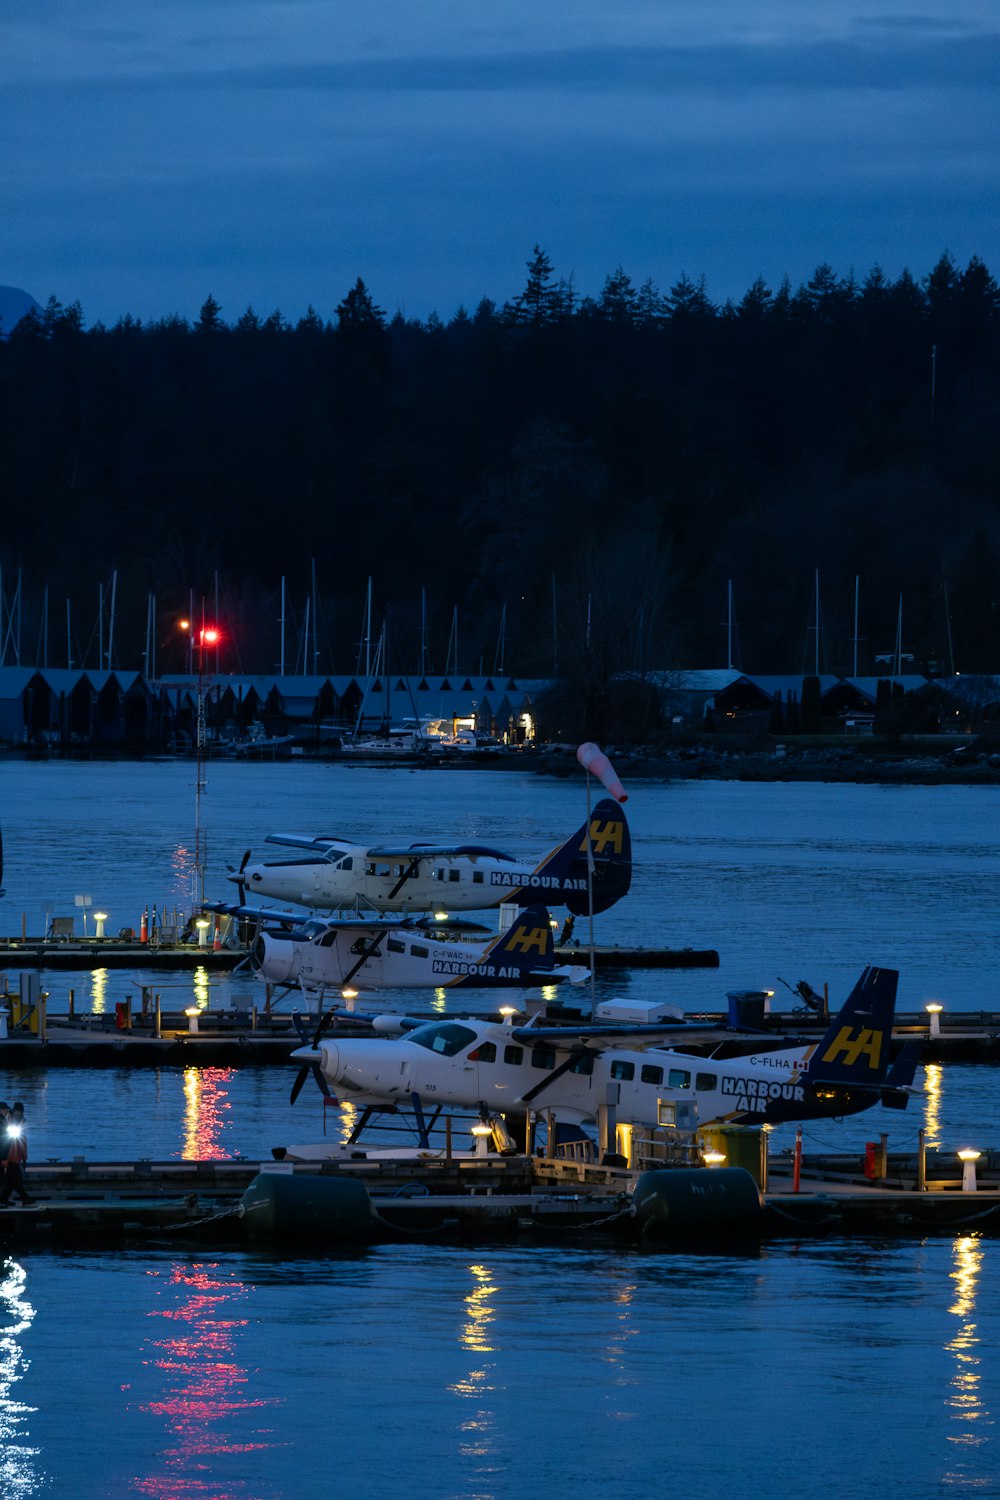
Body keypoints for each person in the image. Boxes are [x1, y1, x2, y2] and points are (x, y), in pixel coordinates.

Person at [0, 1102, 32, 1206]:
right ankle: (24, 1198)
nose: (18, 1113)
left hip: (16, 1155)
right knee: (15, 1179)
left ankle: (4, 1199)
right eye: (16, 1111)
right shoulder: (7, 1122)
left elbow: (23, 1142)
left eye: (20, 1111)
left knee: (11, 1180)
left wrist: (24, 1157)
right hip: (8, 1155)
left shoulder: (22, 1123)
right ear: (13, 1111)